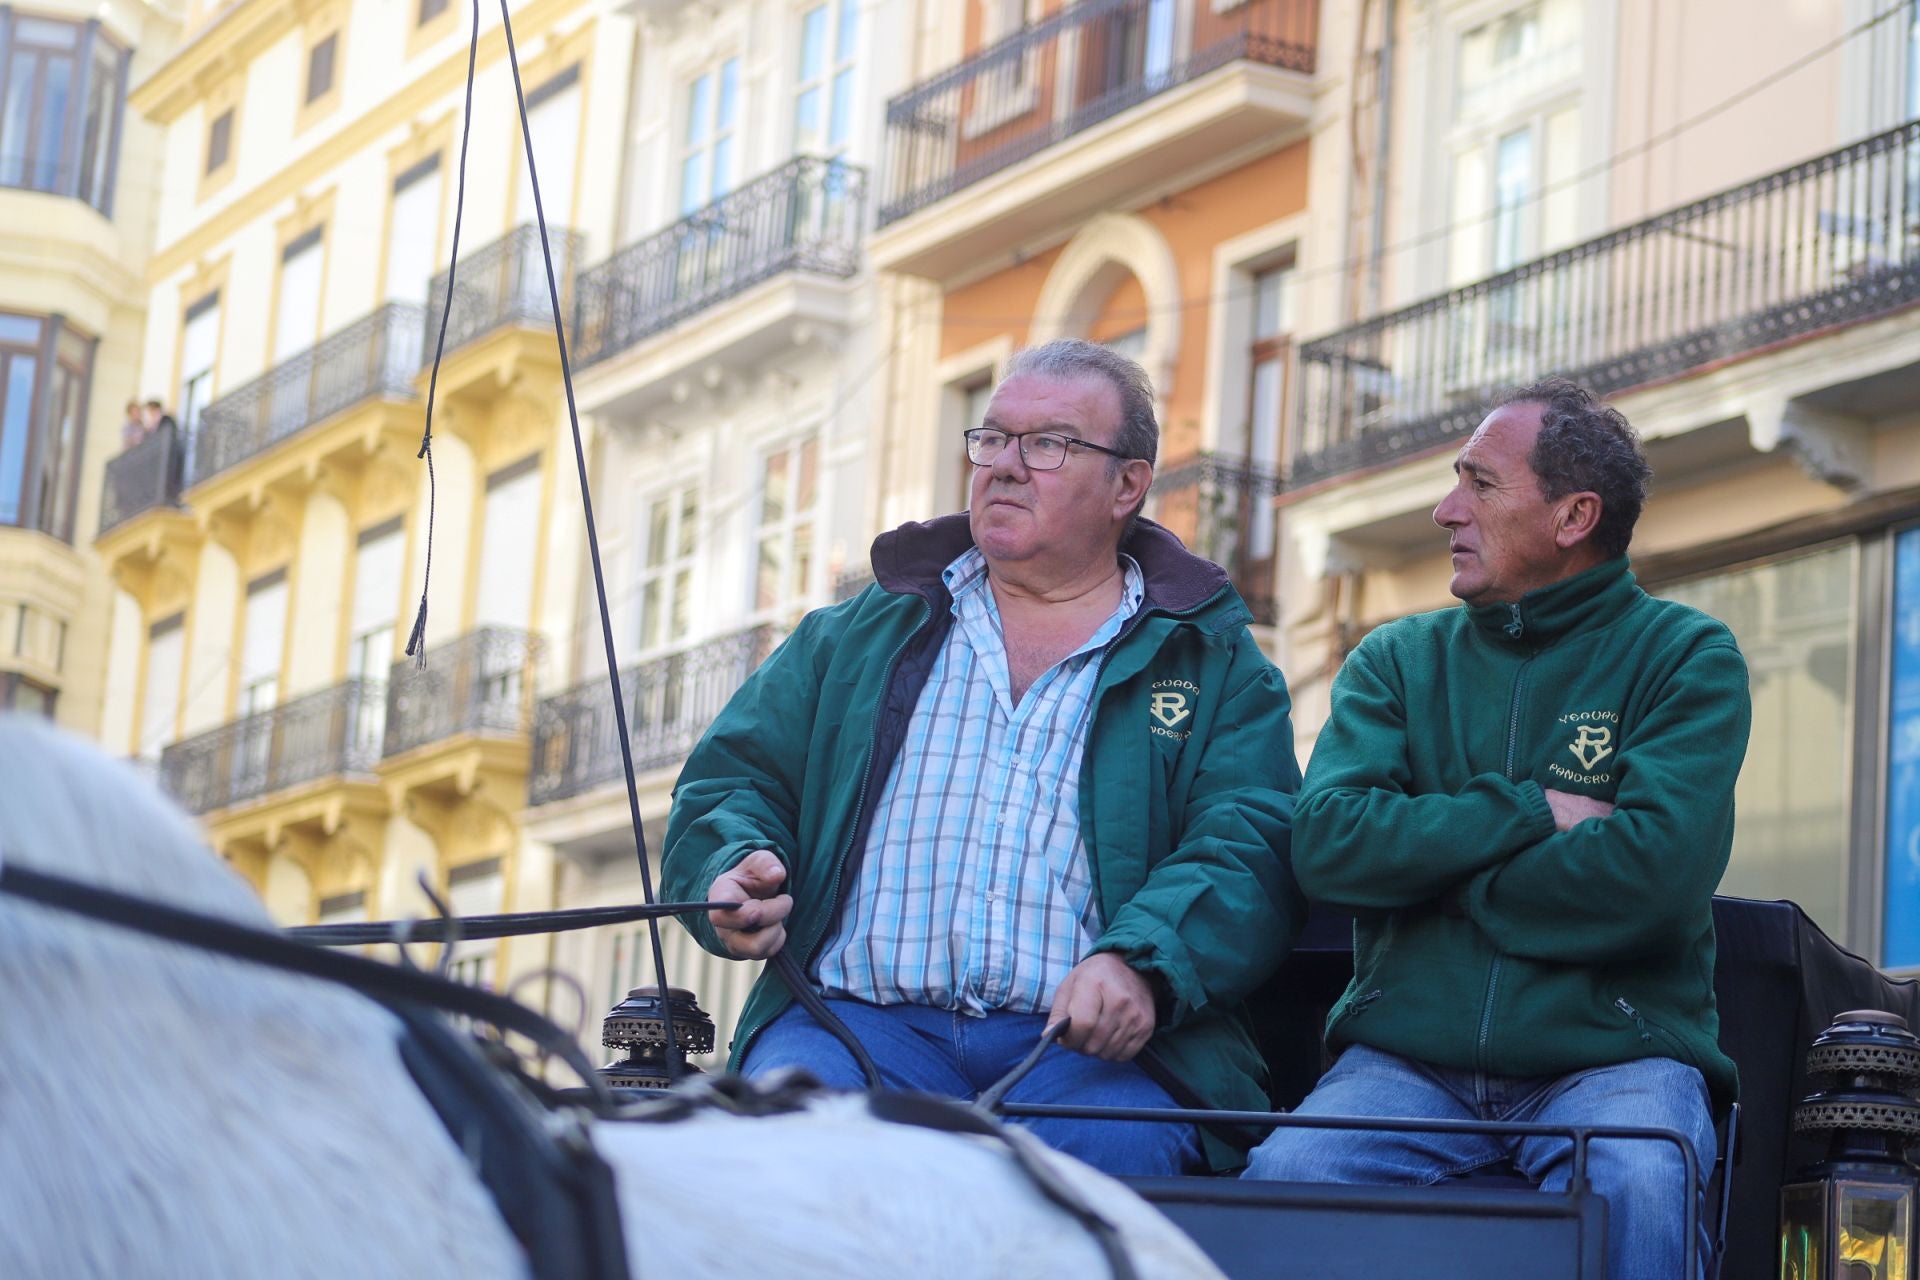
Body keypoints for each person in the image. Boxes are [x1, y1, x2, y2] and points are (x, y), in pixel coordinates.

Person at [662, 338, 1305, 1177]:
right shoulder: (854, 634)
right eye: (993, 438)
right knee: (797, 1157)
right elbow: (730, 783)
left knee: (1104, 1179)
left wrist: (1143, 964)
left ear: (1128, 486)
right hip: (858, 1031)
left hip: (1098, 1066)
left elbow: (1250, 844)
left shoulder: (1214, 663)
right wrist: (731, 864)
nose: (1005, 465)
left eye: (1049, 444)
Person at [1242, 379, 1750, 1278]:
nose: (1446, 511)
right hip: (1406, 1063)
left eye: (1479, 484)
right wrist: (1527, 814)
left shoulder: (1685, 656)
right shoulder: (1396, 660)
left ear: (1572, 516)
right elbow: (1326, 847)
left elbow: (1651, 881)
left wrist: (1436, 876)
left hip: (1616, 1060)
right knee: (1285, 1179)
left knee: (1640, 1183)